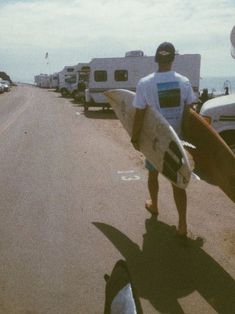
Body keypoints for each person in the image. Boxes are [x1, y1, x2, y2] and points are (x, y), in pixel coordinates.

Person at [131, 42, 196, 237]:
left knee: (153, 174)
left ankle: (155, 205)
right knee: (178, 182)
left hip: (155, 141)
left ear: (157, 59)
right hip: (177, 140)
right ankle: (182, 225)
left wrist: (135, 138)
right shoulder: (184, 82)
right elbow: (190, 113)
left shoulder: (145, 83)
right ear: (173, 58)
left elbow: (139, 115)